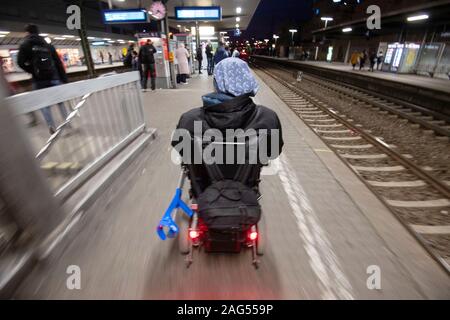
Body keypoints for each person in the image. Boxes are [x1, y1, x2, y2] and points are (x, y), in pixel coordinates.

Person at [171, 57, 283, 185]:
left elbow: (182, 151)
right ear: (248, 79)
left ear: (216, 83)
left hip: (204, 192)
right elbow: (273, 153)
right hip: (246, 190)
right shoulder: (267, 118)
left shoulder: (189, 119)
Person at [17, 24, 69, 134]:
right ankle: (67, 123)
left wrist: (32, 70)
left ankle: (51, 126)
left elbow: (20, 63)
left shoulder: (25, 44)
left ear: (27, 33)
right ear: (38, 32)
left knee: (43, 104)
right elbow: (58, 63)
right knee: (60, 101)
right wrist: (64, 78)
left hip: (39, 79)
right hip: (53, 77)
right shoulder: (47, 44)